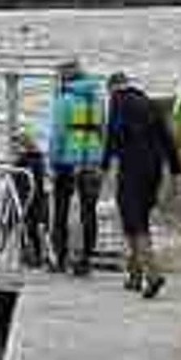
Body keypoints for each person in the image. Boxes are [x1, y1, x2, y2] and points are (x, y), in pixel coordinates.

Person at [102, 72, 181, 299]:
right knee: (140, 219)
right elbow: (167, 137)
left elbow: (113, 133)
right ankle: (135, 275)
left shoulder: (118, 101)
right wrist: (176, 169)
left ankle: (153, 275)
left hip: (132, 169)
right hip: (154, 169)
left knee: (134, 223)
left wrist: (105, 164)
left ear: (112, 88)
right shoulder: (149, 102)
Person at [49, 60, 105, 275]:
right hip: (92, 161)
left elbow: (58, 134)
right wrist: (100, 159)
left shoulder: (64, 100)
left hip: (67, 163)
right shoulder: (97, 100)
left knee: (61, 212)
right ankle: (86, 260)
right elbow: (103, 131)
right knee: (88, 212)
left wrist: (52, 160)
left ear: (64, 78)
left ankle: (60, 258)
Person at [13, 131, 49, 268]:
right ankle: (35, 257)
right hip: (34, 198)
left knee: (27, 228)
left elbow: (28, 180)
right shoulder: (38, 159)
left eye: (17, 144)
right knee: (31, 229)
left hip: (27, 199)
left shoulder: (25, 161)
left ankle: (30, 257)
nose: (15, 148)